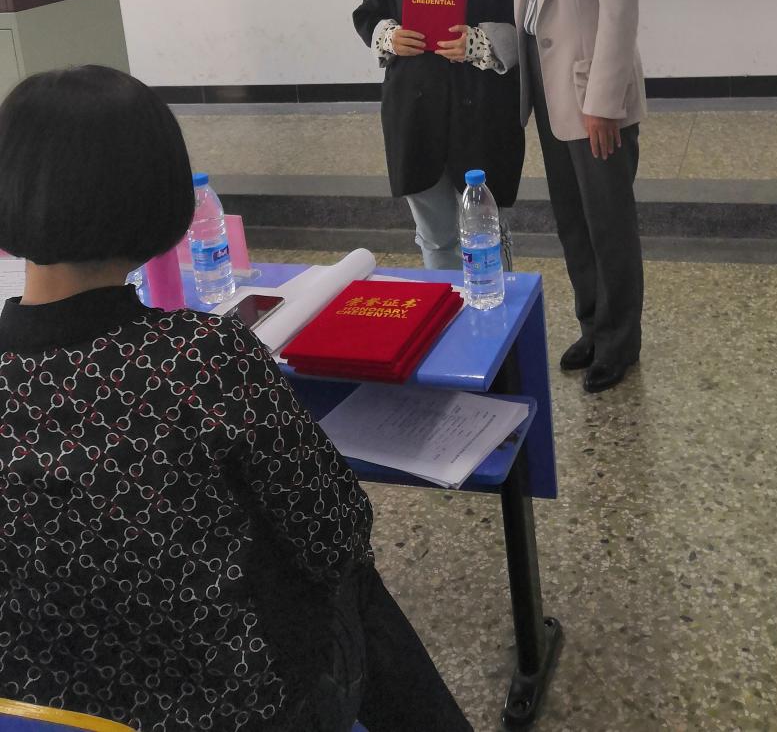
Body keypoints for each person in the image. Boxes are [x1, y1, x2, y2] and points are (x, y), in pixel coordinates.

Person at [0, 64, 472, 732]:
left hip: (50, 710)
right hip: (244, 706)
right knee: (354, 585)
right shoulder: (201, 357)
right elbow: (335, 530)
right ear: (155, 199)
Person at [511, 0, 646, 394]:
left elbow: (620, 11)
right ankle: (592, 325)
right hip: (545, 85)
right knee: (572, 219)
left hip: (594, 93)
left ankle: (619, 343)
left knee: (607, 222)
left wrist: (604, 103)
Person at [353, 0, 524, 271]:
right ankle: (446, 309)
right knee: (435, 238)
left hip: (481, 114)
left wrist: (480, 42)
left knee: (487, 232)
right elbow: (368, 14)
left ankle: (494, 310)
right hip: (416, 116)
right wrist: (390, 35)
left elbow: (526, 28)